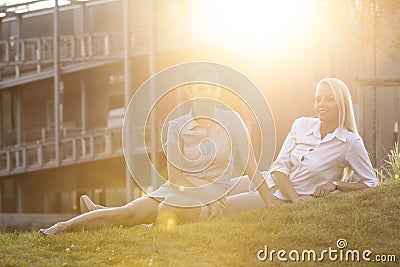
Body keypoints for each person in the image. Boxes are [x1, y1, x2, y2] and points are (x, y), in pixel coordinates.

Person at [39, 70, 275, 236]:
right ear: (190, 92)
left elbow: (251, 166)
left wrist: (273, 208)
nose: (210, 93)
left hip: (207, 198)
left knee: (167, 210)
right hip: (181, 191)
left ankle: (115, 218)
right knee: (127, 213)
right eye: (203, 88)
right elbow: (176, 179)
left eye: (214, 88)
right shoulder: (175, 127)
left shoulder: (232, 120)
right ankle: (61, 228)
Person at [225, 77, 379, 213]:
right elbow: (279, 167)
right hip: (266, 179)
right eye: (318, 99)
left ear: (342, 104)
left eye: (329, 99)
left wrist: (335, 185)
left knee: (224, 205)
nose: (321, 104)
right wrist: (296, 197)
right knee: (218, 189)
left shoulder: (350, 142)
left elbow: (371, 183)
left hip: (278, 197)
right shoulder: (301, 125)